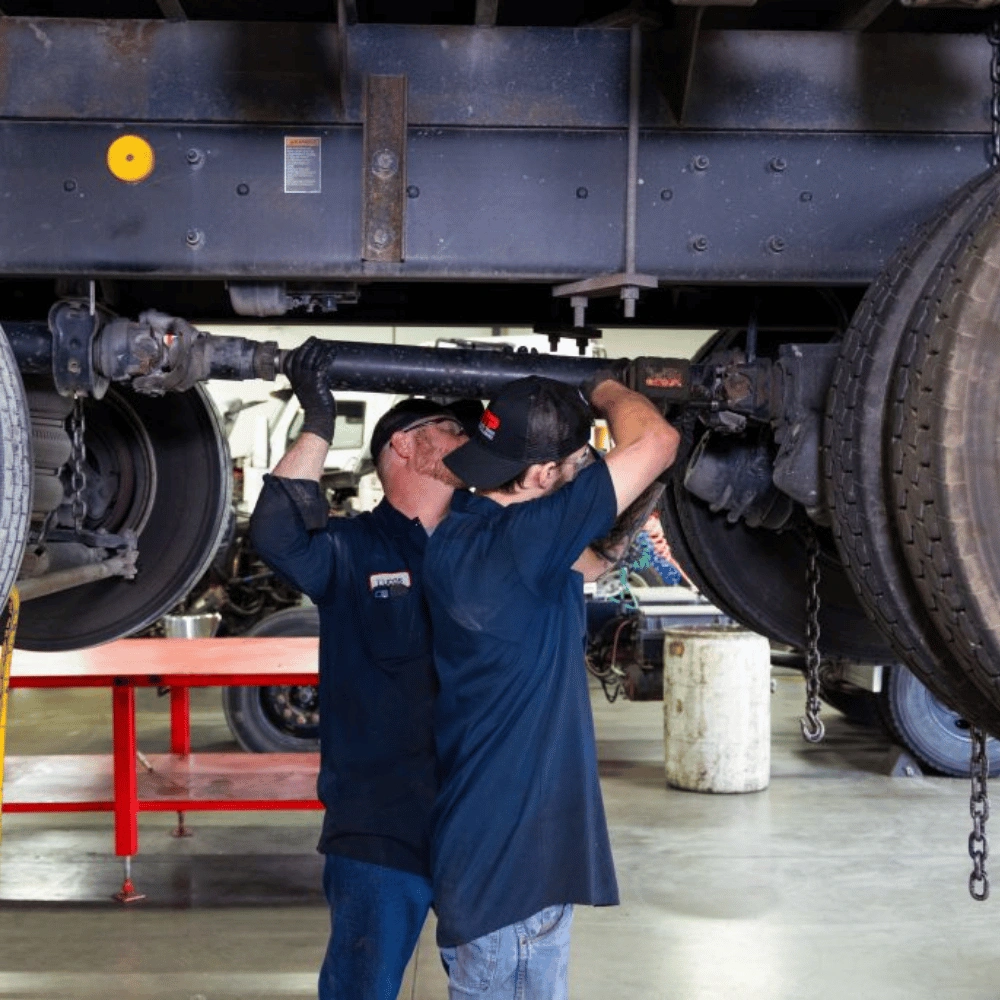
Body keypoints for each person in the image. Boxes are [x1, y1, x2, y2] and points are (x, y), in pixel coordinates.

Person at [422, 373, 679, 999]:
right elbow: (657, 441)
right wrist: (607, 387)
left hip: (479, 860)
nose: (584, 471)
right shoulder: (525, 542)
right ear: (538, 475)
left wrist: (622, 510)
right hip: (515, 883)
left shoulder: (462, 532)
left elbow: (593, 560)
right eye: (574, 464)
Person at [248, 337, 468, 1000]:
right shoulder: (350, 549)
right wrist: (318, 418)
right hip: (378, 829)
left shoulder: (485, 538)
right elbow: (276, 535)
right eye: (452, 429)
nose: (469, 440)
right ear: (403, 445)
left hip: (478, 822)